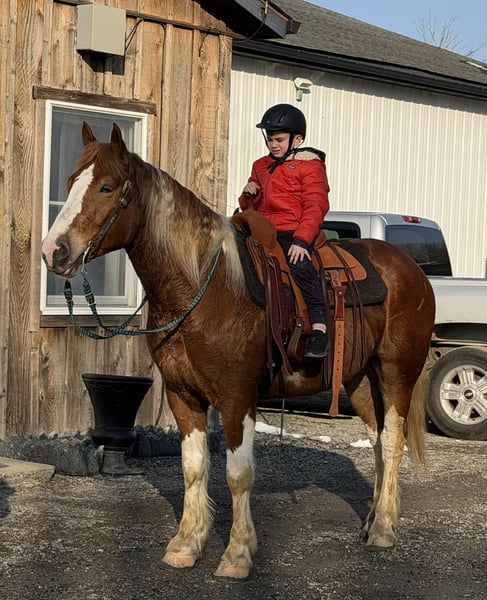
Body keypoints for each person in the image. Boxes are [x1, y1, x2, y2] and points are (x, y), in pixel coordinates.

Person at [238, 103, 330, 359]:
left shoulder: (310, 166)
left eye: (279, 139)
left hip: (293, 232)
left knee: (299, 266)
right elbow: (250, 206)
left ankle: (319, 327)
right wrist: (248, 195)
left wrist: (301, 240)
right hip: (262, 230)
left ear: (296, 139)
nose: (273, 144)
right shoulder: (260, 165)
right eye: (270, 139)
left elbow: (316, 205)